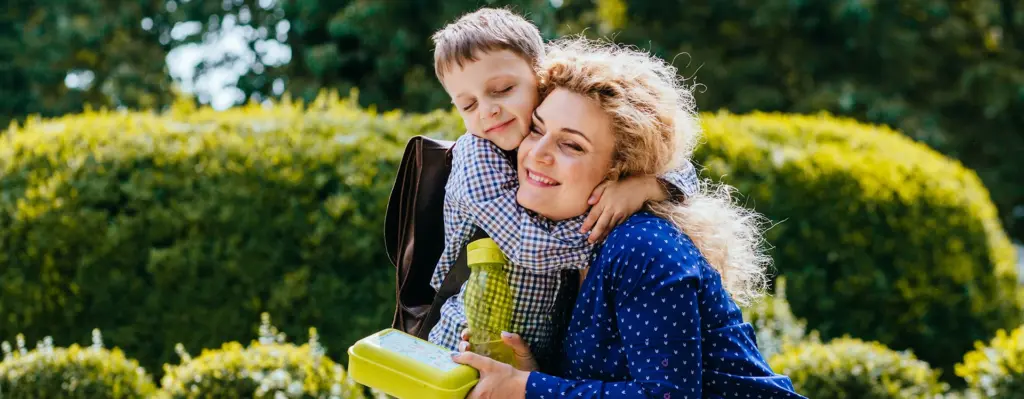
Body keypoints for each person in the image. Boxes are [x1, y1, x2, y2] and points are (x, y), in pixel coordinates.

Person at [451, 36, 805, 398]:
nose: (537, 153)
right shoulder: (576, 249)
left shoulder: (642, 246)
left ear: (620, 172)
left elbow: (668, 395)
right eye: (538, 129)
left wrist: (527, 388)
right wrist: (532, 373)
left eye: (571, 145)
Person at [426, 7, 701, 368]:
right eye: (468, 104)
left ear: (540, 79)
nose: (488, 111)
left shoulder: (557, 121)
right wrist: (606, 220)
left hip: (542, 352)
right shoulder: (476, 158)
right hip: (469, 342)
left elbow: (675, 162)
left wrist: (645, 185)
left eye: (503, 90)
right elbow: (530, 247)